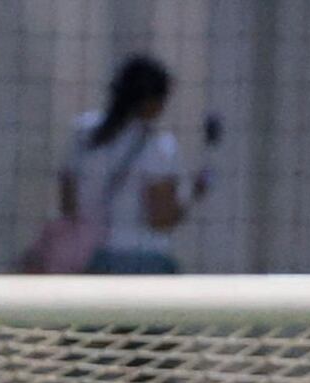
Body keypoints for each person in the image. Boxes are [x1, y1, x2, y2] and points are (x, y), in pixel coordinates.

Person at [60, 55, 209, 276]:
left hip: (89, 259)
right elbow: (161, 220)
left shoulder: (82, 133)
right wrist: (193, 193)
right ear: (152, 101)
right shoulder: (159, 146)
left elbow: (68, 205)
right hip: (144, 261)